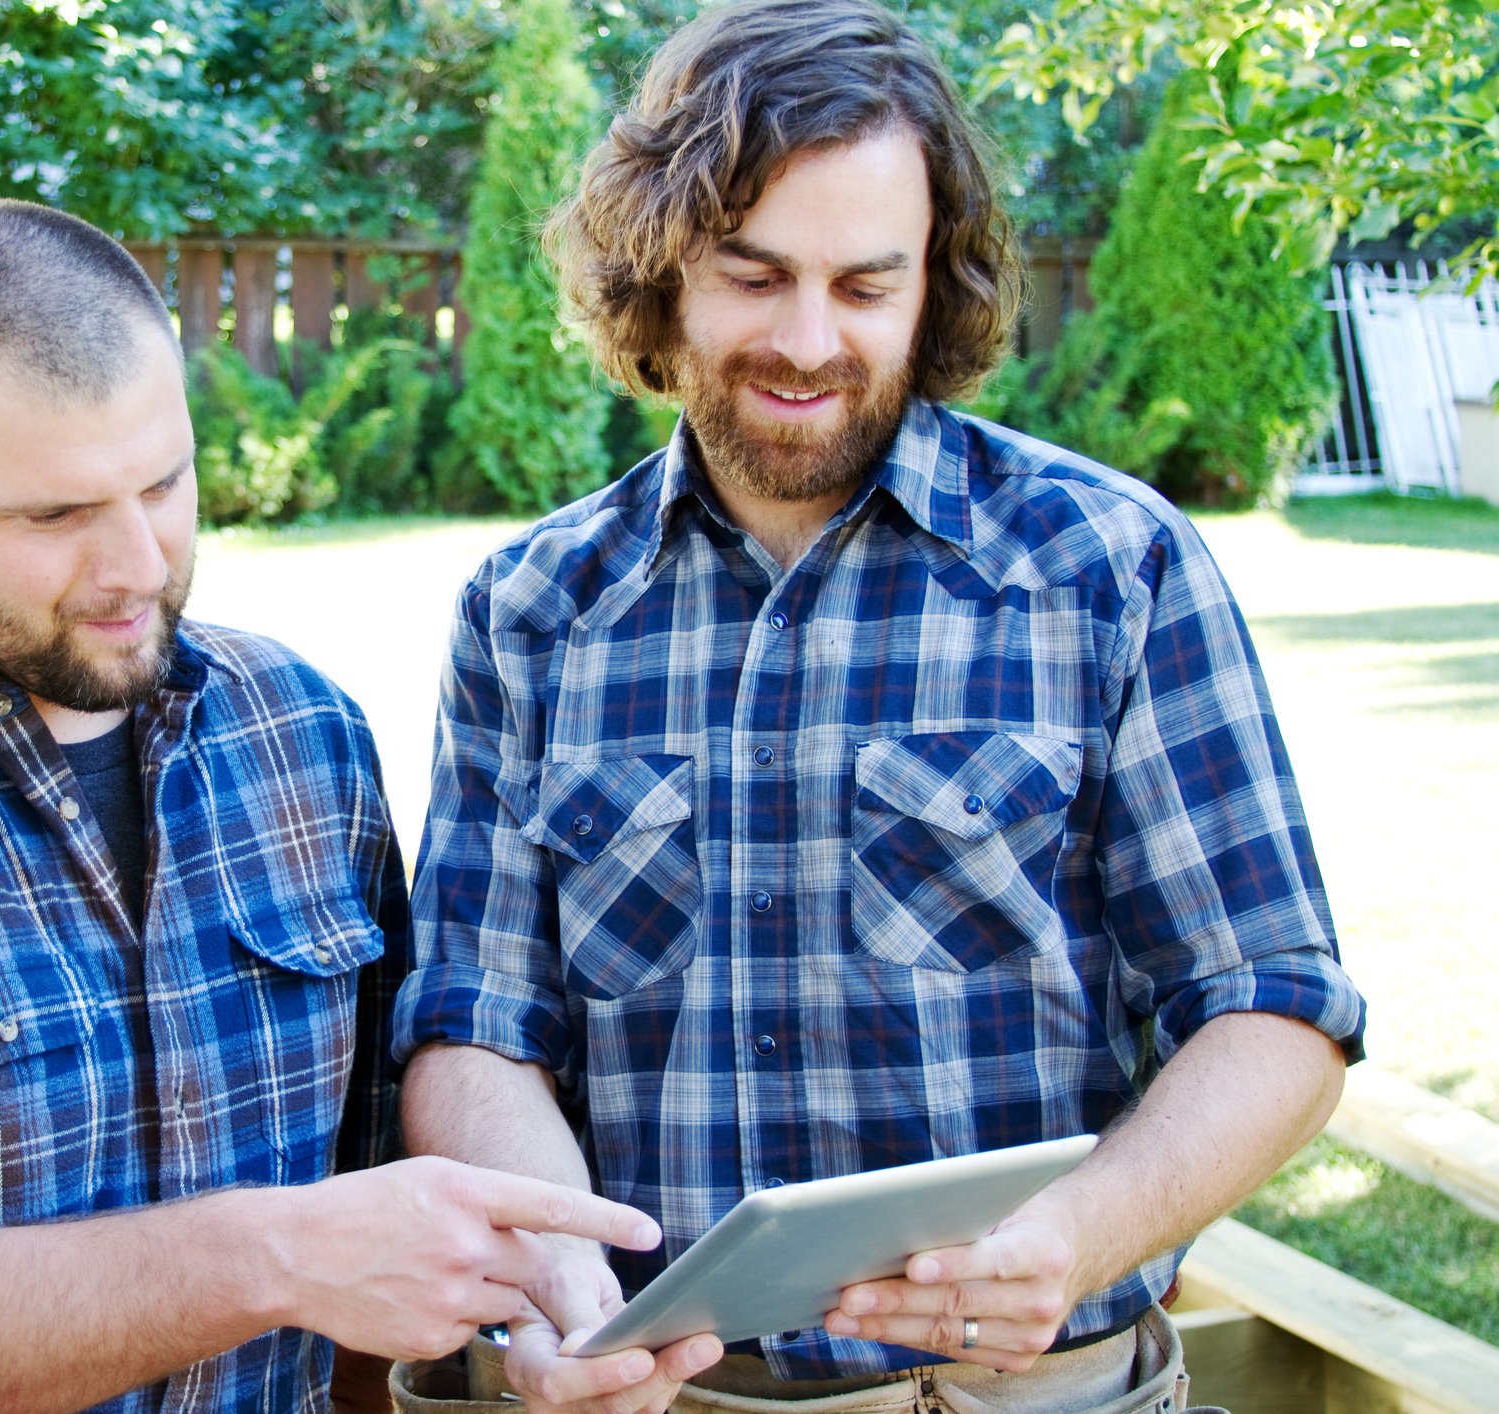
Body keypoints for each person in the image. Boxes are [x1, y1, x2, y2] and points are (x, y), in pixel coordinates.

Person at [393, 3, 1366, 1412]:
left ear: (934, 283)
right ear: (661, 273)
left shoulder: (1110, 567)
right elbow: (475, 1025)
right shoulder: (530, 608)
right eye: (752, 274)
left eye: (864, 285)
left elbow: (1276, 1006)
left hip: (1014, 1388)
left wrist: (1075, 1238)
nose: (805, 342)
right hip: (665, 1392)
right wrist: (564, 1274)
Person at [0, 199, 660, 1414]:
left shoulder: (299, 733)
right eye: (56, 515)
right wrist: (278, 1257)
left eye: (163, 483)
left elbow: (376, 1205)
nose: (140, 564)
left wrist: (509, 1331)